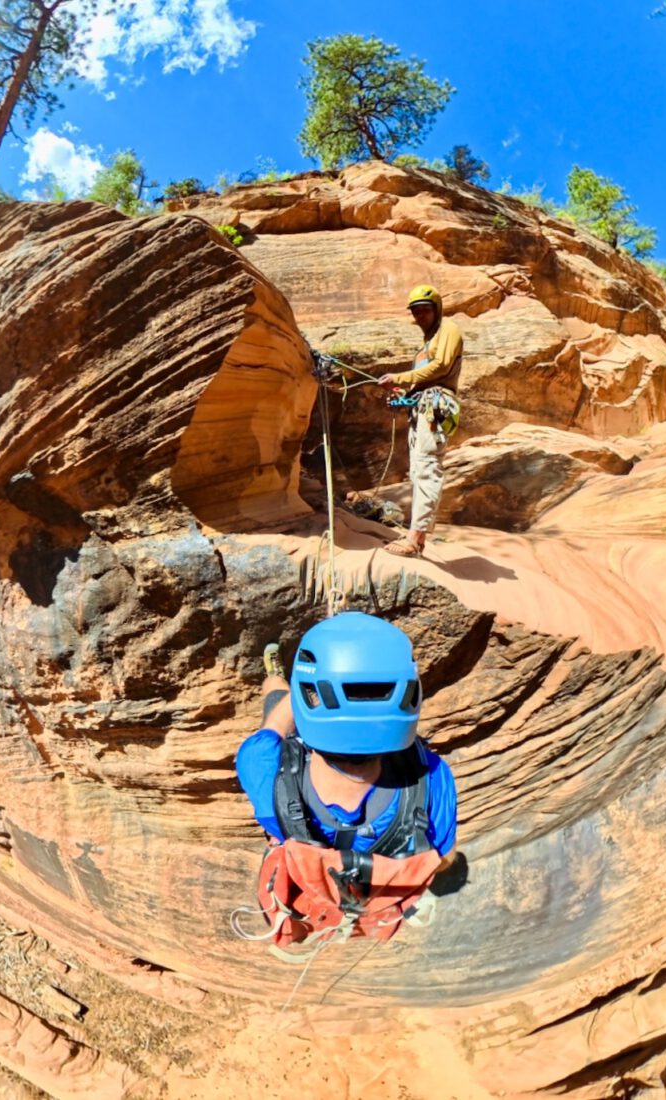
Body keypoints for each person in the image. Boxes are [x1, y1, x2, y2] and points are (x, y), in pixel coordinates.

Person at [235, 612, 458, 948]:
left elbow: (271, 733)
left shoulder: (261, 766)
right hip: (369, 897)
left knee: (274, 698)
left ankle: (276, 678)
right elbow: (442, 859)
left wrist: (295, 694)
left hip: (310, 879)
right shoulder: (433, 777)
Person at [377, 284, 463, 558]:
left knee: (426, 468)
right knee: (418, 472)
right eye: (415, 311)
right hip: (422, 407)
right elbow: (423, 378)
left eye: (425, 310)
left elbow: (442, 366)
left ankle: (414, 540)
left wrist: (400, 378)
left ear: (436, 309)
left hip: (435, 407)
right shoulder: (425, 344)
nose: (420, 316)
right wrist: (402, 394)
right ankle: (418, 536)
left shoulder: (448, 329)